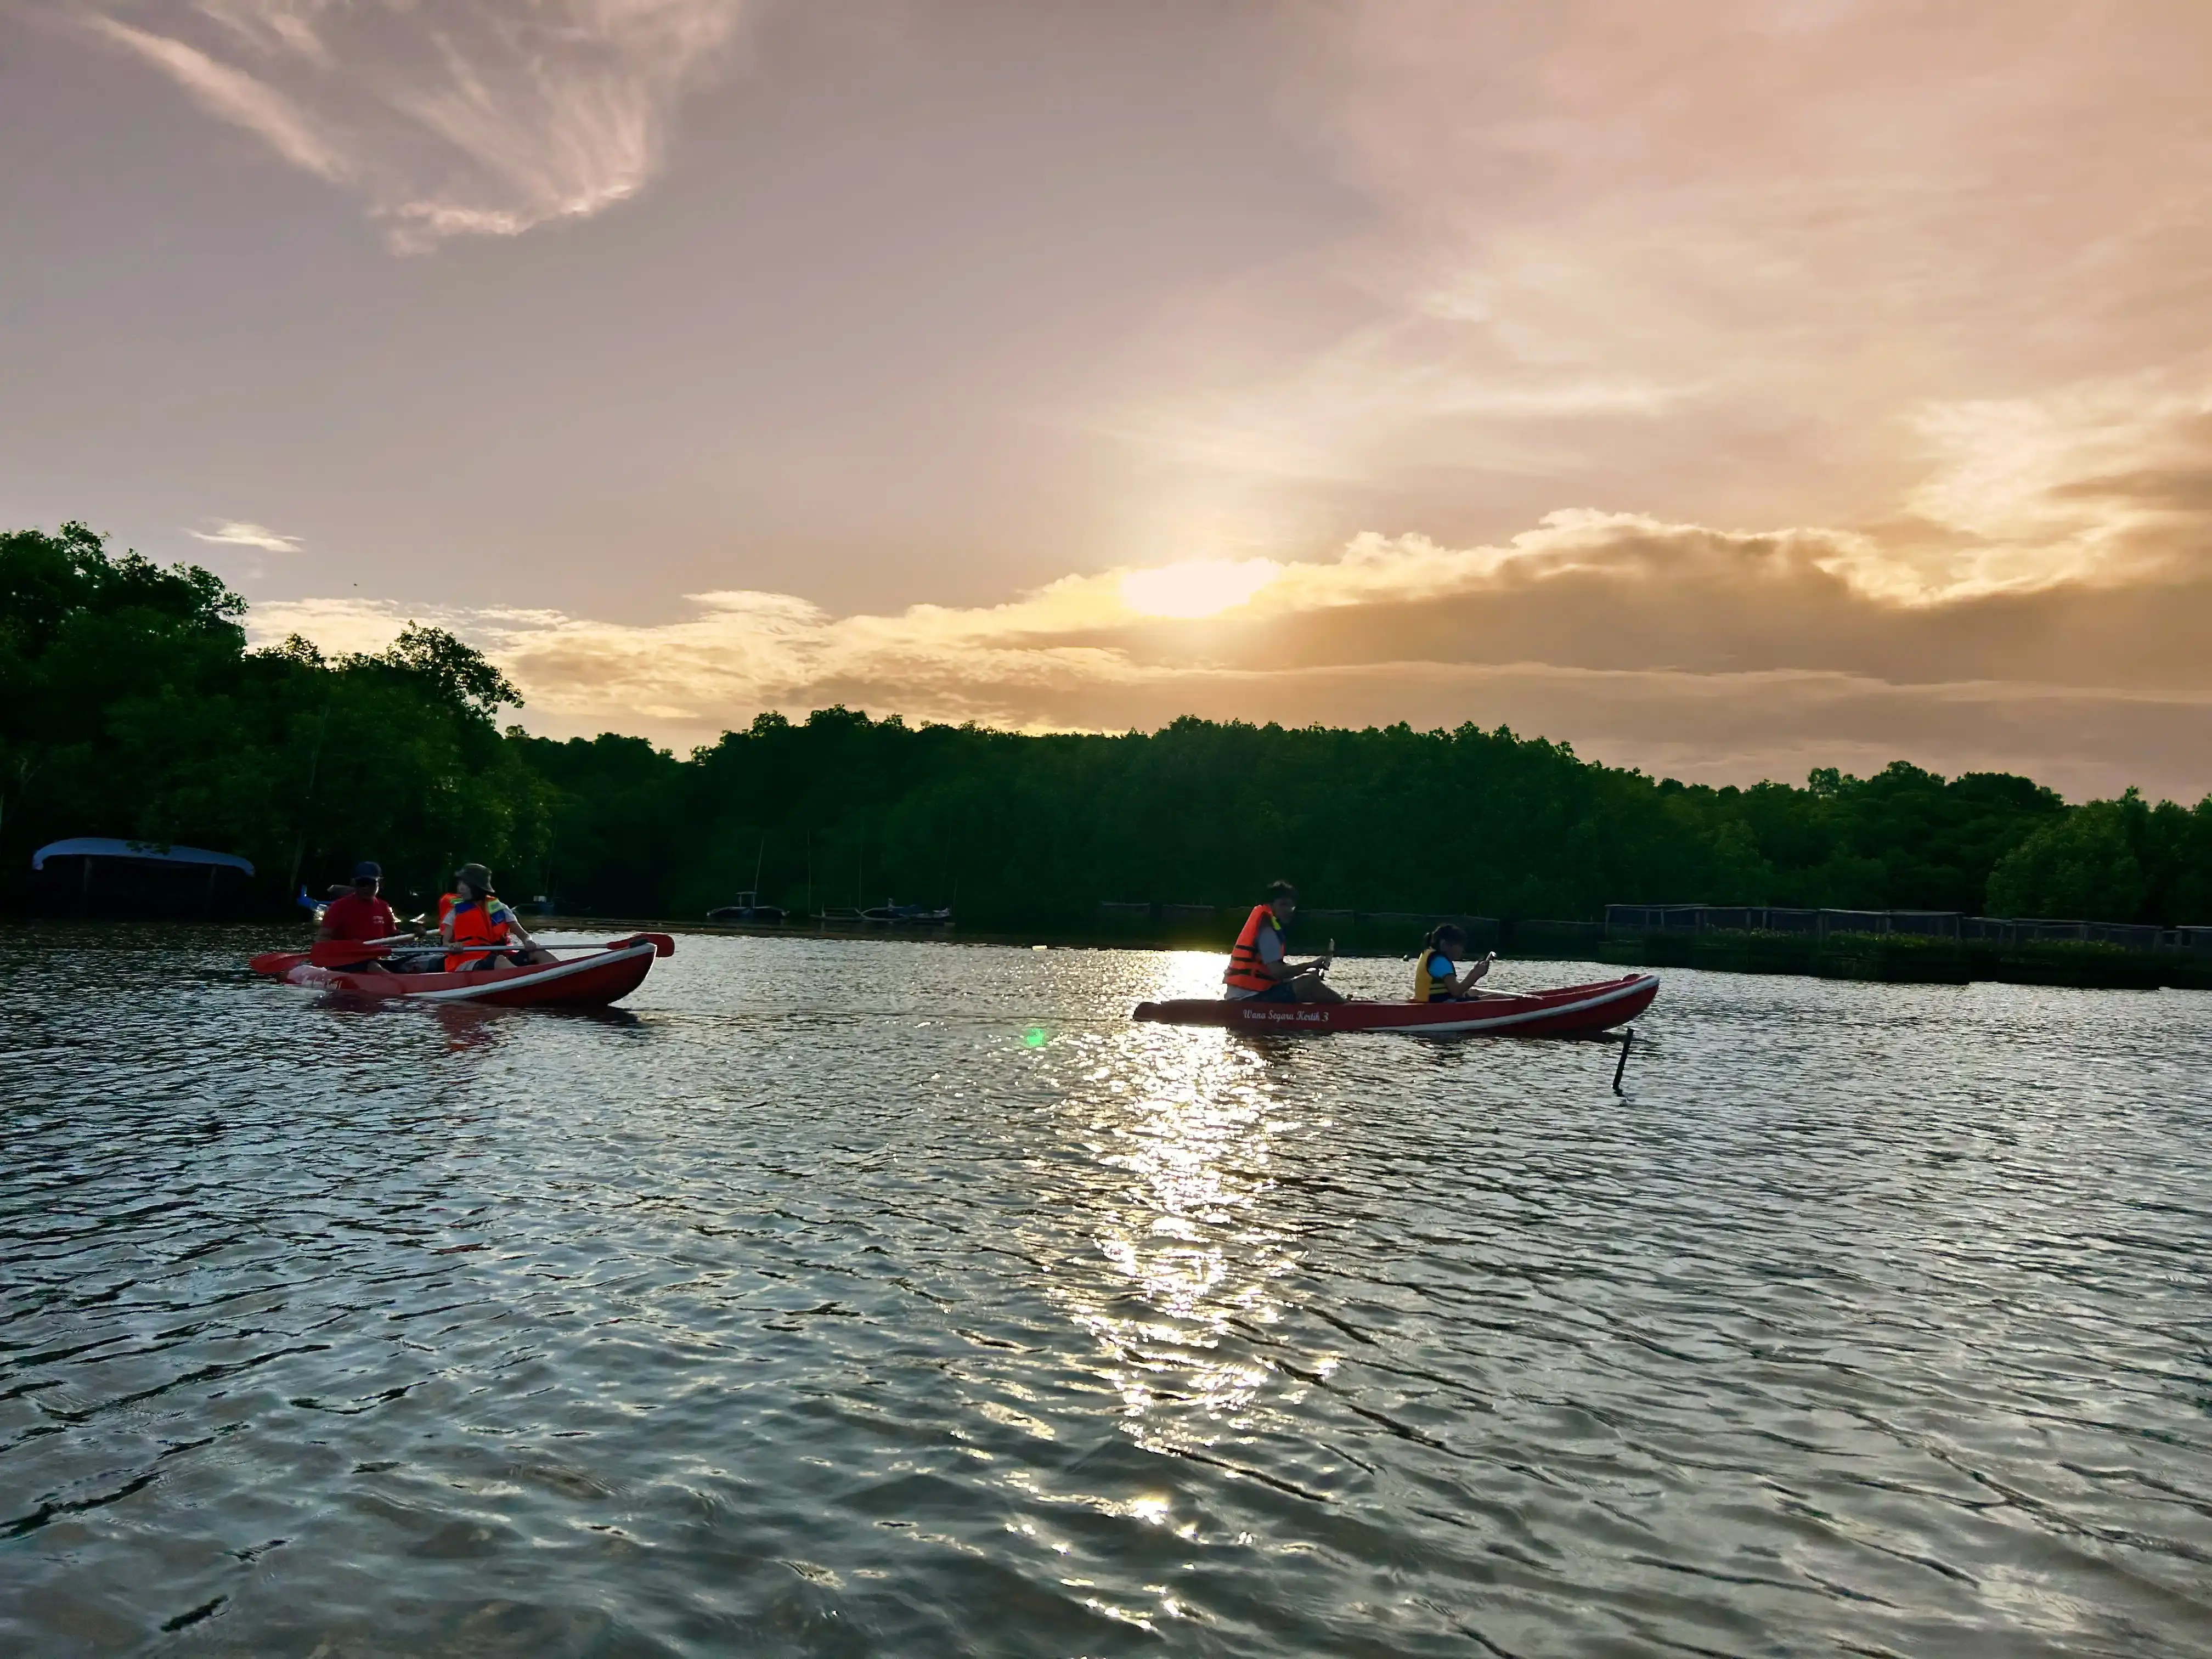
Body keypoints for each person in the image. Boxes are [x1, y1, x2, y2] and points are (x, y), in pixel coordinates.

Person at [1223, 880, 1344, 1004]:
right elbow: (1278, 972)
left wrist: (1305, 971)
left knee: (1309, 986)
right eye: (1283, 905)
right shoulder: (1267, 930)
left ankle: (1342, 1004)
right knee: (1309, 983)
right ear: (1270, 905)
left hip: (1253, 995)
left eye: (1291, 906)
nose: (1288, 910)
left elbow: (1274, 972)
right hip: (1247, 999)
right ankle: (1346, 1008)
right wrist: (1310, 965)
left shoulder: (1270, 927)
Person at [441, 863, 553, 972]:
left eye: (465, 884)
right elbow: (446, 942)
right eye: (460, 883)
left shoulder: (501, 908)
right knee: (499, 961)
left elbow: (524, 935)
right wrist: (452, 946)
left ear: (477, 887)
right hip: (468, 961)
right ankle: (527, 984)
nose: (460, 888)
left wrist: (529, 941)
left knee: (538, 951)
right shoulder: (455, 911)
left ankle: (560, 976)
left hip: (500, 957)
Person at [318, 862, 400, 944]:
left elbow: (391, 937)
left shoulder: (384, 907)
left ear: (380, 883)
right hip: (347, 956)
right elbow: (322, 938)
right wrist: (348, 945)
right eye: (362, 884)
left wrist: (406, 937)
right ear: (354, 883)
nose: (366, 888)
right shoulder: (339, 907)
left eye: (371, 883)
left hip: (375, 956)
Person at [1412, 923, 1496, 1002]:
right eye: (1460, 946)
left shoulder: (1430, 954)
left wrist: (1475, 971)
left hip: (1430, 1003)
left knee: (1474, 992)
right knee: (1497, 998)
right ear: (1444, 945)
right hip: (1439, 1007)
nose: (1463, 950)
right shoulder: (1440, 962)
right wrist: (1476, 975)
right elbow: (1456, 991)